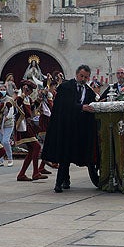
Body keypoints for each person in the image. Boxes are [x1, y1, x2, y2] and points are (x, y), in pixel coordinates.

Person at [42, 65, 98, 193]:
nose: (83, 79)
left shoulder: (88, 91)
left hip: (80, 128)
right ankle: (59, 182)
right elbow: (63, 105)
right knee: (64, 156)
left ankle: (66, 179)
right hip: (66, 126)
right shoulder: (66, 87)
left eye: (86, 77)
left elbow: (90, 103)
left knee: (72, 154)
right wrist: (80, 107)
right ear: (77, 74)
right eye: (81, 76)